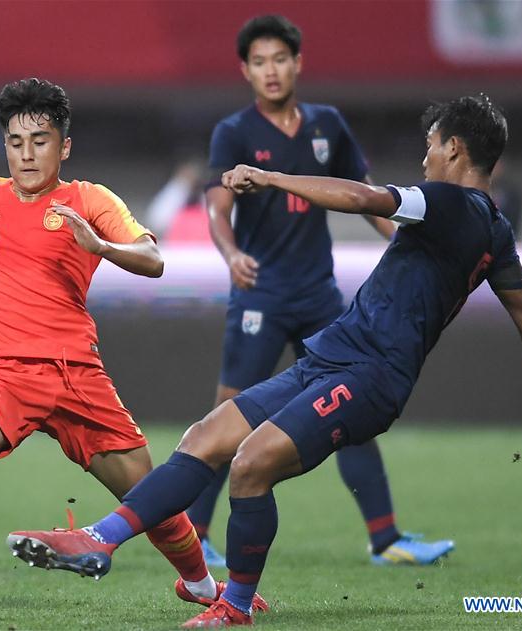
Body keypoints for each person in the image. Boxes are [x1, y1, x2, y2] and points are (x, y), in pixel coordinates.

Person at [6, 94, 522, 628]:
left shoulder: (450, 201)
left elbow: (365, 198)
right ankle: (100, 541)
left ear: (453, 149)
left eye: (430, 144)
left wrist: (271, 177)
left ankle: (237, 607)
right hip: (335, 356)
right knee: (206, 436)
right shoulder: (495, 227)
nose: (425, 157)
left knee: (251, 465)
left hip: (370, 375)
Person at [0, 78, 266, 612]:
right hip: (0, 371)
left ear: (64, 146)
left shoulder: (89, 200)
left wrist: (99, 245)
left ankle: (201, 587)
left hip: (75, 375)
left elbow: (153, 260)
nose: (27, 154)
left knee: (150, 496)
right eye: (16, 143)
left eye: (40, 141)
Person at [191, 14, 452, 567]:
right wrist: (231, 252)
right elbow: (217, 209)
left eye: (280, 59)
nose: (271, 70)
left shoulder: (328, 125)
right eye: (259, 62)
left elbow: (369, 198)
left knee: (351, 409)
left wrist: (409, 246)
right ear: (245, 70)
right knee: (227, 416)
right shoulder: (233, 132)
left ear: (297, 63)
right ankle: (194, 534)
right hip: (260, 294)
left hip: (320, 298)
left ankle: (386, 540)